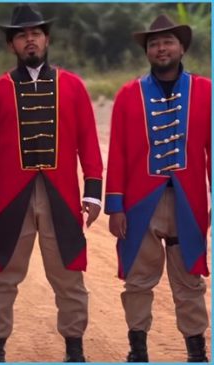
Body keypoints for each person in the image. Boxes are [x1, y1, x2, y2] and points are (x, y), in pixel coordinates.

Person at [0, 4, 103, 362]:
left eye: (36, 34)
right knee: (2, 273)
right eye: (21, 35)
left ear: (46, 39)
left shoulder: (73, 86)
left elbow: (89, 140)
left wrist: (93, 191)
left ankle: (74, 348)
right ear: (12, 45)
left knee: (69, 274)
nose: (30, 40)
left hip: (61, 194)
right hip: (11, 195)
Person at [105, 14, 210, 362]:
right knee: (138, 280)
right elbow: (117, 152)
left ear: (182, 47)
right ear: (148, 52)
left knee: (190, 280)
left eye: (167, 42)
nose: (161, 48)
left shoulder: (207, 91)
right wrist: (115, 205)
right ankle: (138, 350)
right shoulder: (127, 94)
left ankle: (197, 352)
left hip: (188, 202)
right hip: (139, 204)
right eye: (154, 43)